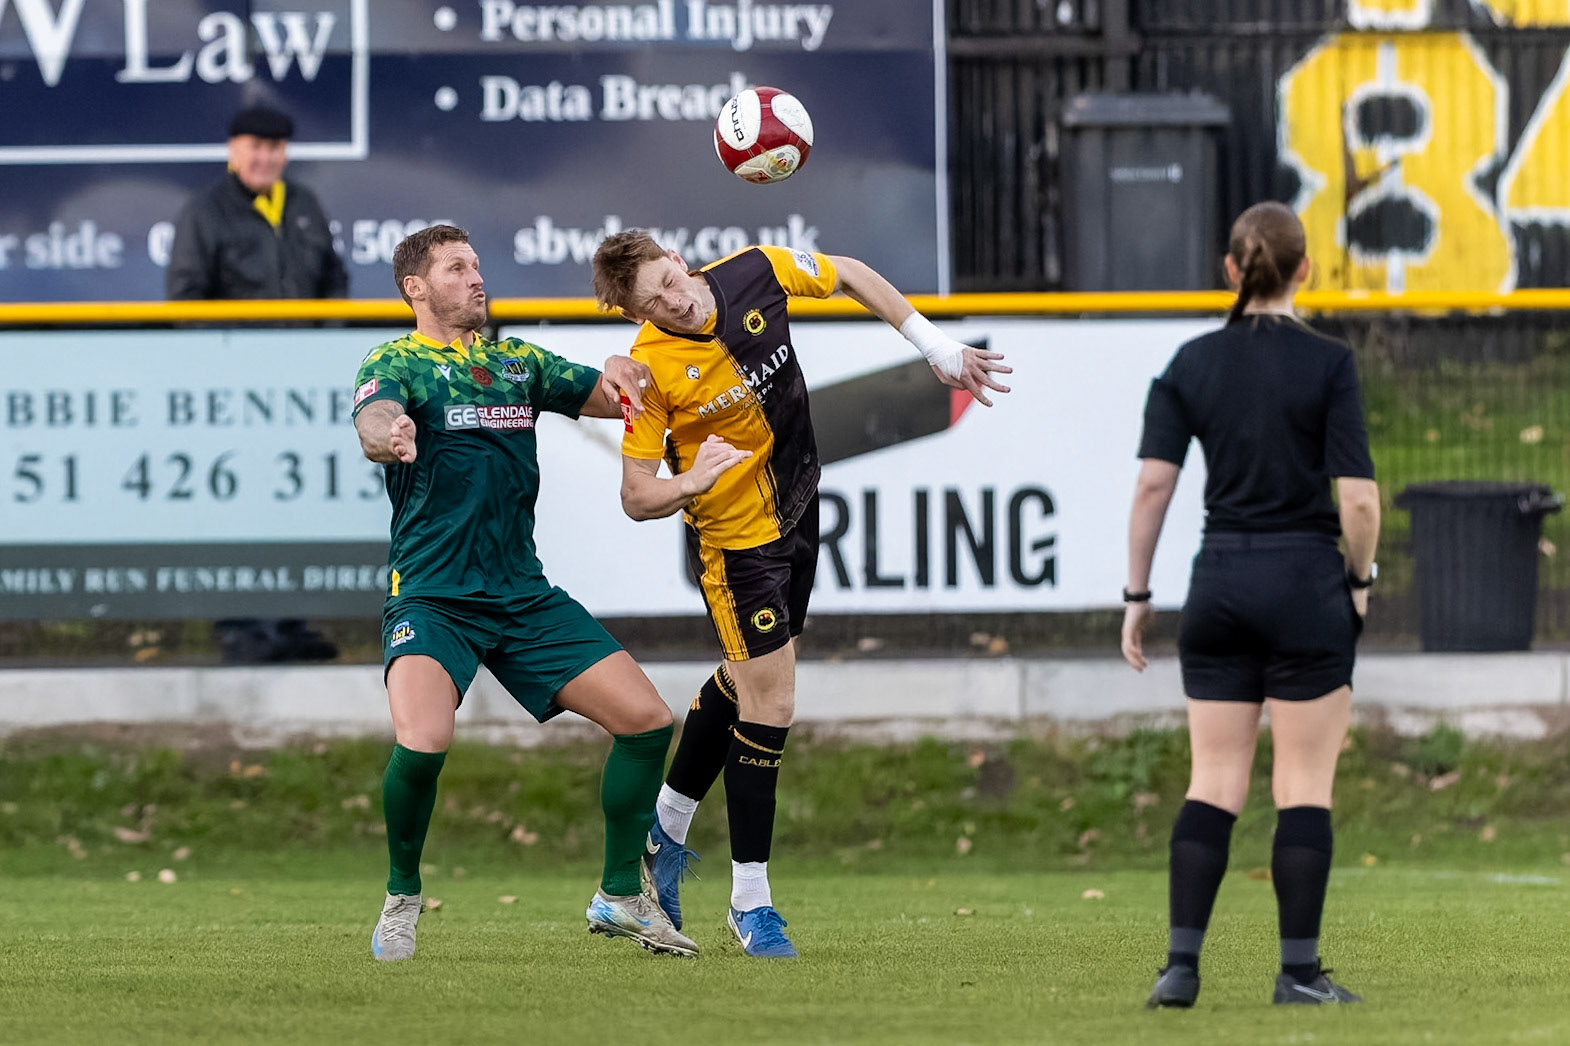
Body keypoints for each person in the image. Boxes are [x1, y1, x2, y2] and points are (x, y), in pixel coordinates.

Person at [590, 232, 1012, 958]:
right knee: (774, 702)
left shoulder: (755, 270)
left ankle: (662, 834)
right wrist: (690, 482)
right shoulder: (648, 373)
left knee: (747, 680)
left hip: (800, 509)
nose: (674, 300)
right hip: (735, 547)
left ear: (677, 258)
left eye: (669, 278)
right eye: (651, 301)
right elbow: (635, 495)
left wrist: (934, 346)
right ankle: (751, 902)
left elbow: (847, 271)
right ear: (634, 312)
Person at [353, 224, 696, 961]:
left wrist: (623, 368)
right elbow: (372, 417)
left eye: (478, 264)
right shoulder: (399, 361)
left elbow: (616, 398)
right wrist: (390, 433)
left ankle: (618, 898)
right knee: (424, 739)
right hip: (435, 597)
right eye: (455, 268)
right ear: (415, 287)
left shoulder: (516, 364)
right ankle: (402, 895)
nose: (476, 278)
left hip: (520, 595)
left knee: (644, 719)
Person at [1120, 201, 1380, 1008]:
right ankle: (1298, 976)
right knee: (1303, 783)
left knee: (1214, 780)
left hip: (1221, 585)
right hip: (1306, 585)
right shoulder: (1329, 362)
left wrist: (1136, 596)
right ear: (1304, 268)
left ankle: (1181, 969)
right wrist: (1360, 586)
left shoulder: (1190, 362)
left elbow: (1152, 488)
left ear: (1231, 270)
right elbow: (1361, 503)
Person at [167, 103, 349, 663]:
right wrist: (241, 354)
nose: (264, 157)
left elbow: (334, 281)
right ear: (233, 149)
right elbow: (184, 300)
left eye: (274, 148)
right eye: (254, 146)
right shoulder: (204, 211)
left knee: (295, 496)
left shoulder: (303, 204)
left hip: (301, 385)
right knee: (239, 500)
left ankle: (289, 621)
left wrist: (328, 340)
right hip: (236, 389)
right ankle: (242, 625)